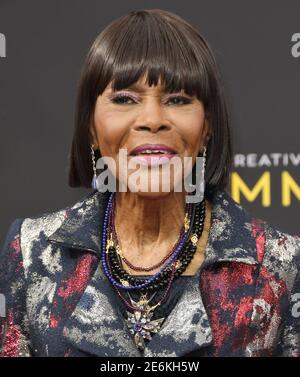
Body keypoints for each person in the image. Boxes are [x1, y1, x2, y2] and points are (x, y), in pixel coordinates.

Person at [0, 8, 299, 357]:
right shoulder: (33, 252)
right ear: (91, 127)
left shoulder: (281, 266)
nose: (152, 120)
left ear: (207, 128)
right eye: (124, 99)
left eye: (178, 99)